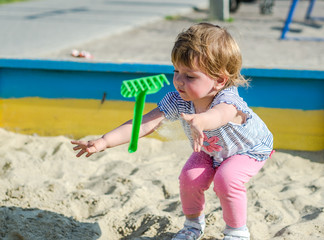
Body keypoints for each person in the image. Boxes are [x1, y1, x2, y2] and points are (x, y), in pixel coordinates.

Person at [71, 22, 273, 240]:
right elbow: (146, 122)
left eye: (190, 76)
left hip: (248, 150)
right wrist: (103, 141)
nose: (178, 81)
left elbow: (220, 115)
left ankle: (237, 232)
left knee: (227, 178)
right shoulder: (179, 100)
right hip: (210, 151)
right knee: (189, 178)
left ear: (219, 80)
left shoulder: (227, 99)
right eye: (176, 71)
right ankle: (192, 226)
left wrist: (201, 120)